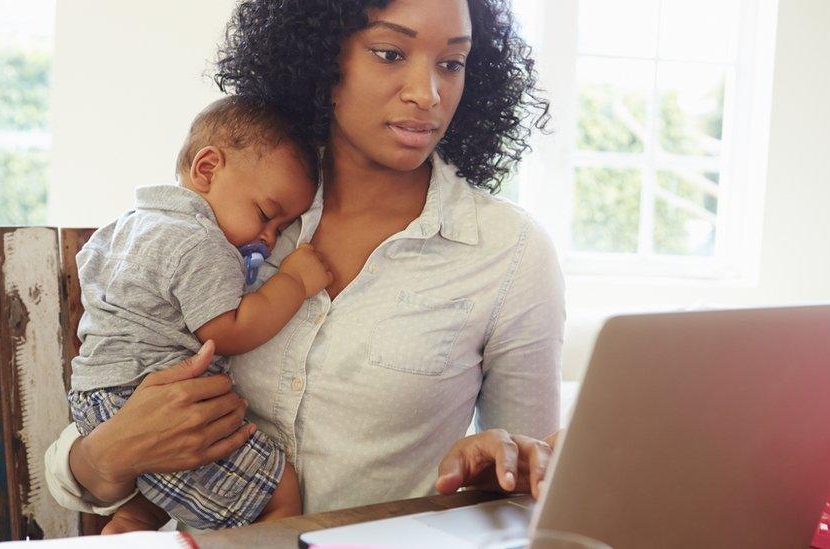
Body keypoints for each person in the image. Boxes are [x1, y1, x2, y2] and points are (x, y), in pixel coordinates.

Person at [44, 0, 566, 532]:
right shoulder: (239, 213)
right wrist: (108, 456)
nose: (427, 94)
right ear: (321, 58)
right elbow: (87, 456)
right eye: (389, 53)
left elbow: (528, 491)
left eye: (451, 64)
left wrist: (498, 469)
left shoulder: (509, 251)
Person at [65, 97, 334, 531]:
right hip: (145, 398)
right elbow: (229, 330)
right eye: (267, 215)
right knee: (278, 492)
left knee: (158, 499)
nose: (267, 238)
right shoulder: (200, 242)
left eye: (282, 229)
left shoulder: (128, 225)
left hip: (98, 397)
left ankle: (131, 521)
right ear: (207, 169)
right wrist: (295, 283)